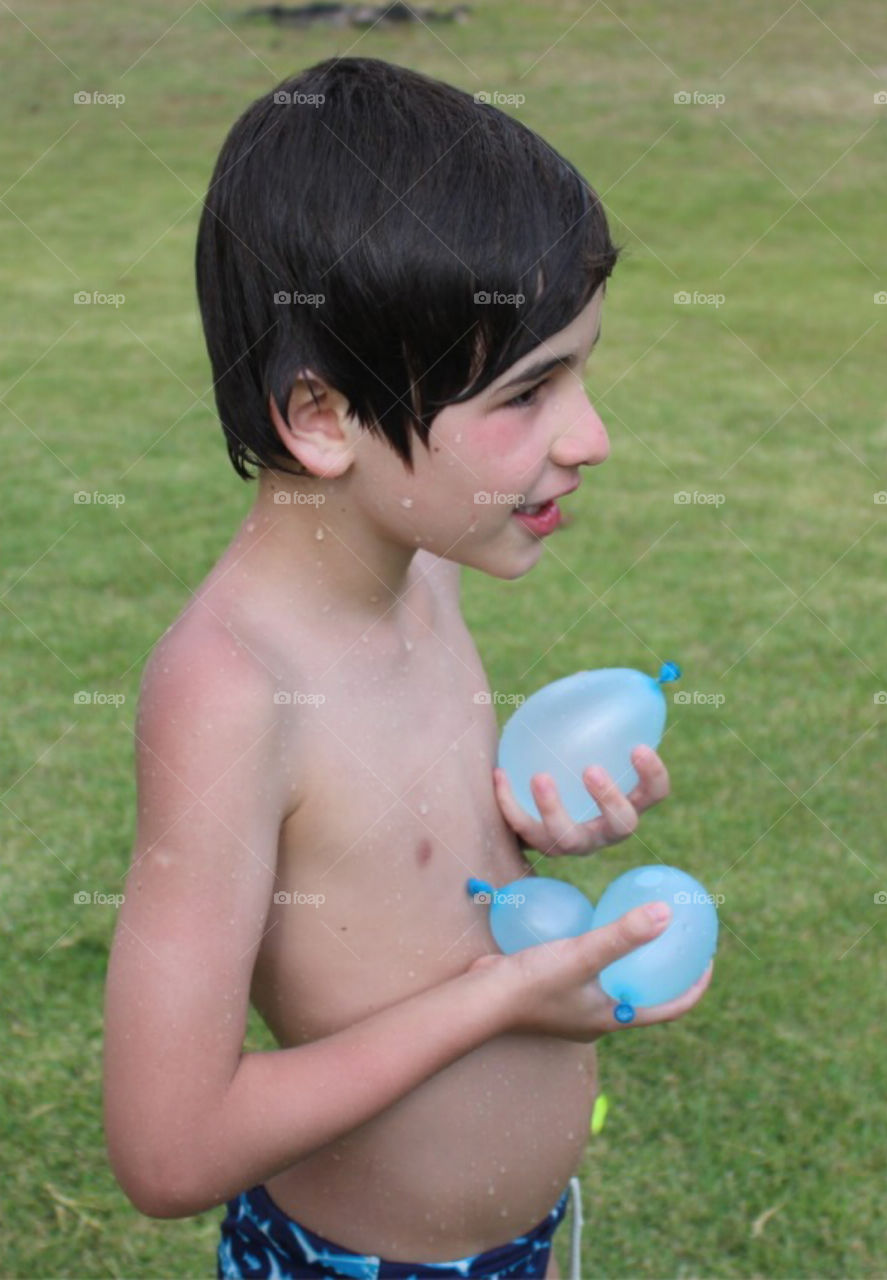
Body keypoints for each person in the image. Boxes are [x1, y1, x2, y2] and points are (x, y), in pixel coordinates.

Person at [102, 56, 713, 1279]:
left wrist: (522, 836)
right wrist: (500, 996)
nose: (589, 437)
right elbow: (166, 1147)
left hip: (514, 1245)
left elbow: (381, 877)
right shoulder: (230, 691)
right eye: (530, 390)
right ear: (322, 417)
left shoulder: (421, 568)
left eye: (579, 374)